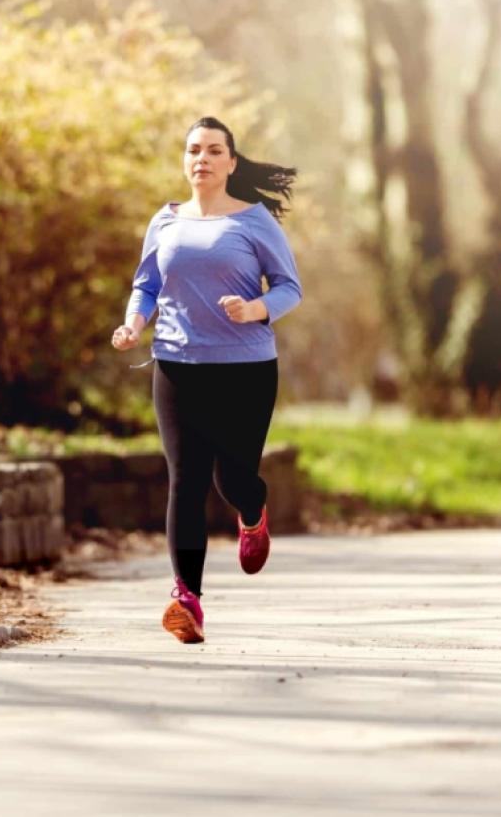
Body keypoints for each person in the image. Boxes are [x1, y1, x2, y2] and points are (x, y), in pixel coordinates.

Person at [111, 116, 303, 644]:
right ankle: (187, 600)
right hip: (177, 363)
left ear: (232, 163)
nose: (203, 158)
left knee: (232, 479)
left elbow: (289, 287)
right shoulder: (165, 221)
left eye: (215, 150)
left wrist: (255, 309)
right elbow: (146, 285)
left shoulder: (254, 221)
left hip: (246, 369)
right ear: (184, 160)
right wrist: (134, 324)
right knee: (186, 479)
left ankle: (252, 511)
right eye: (194, 149)